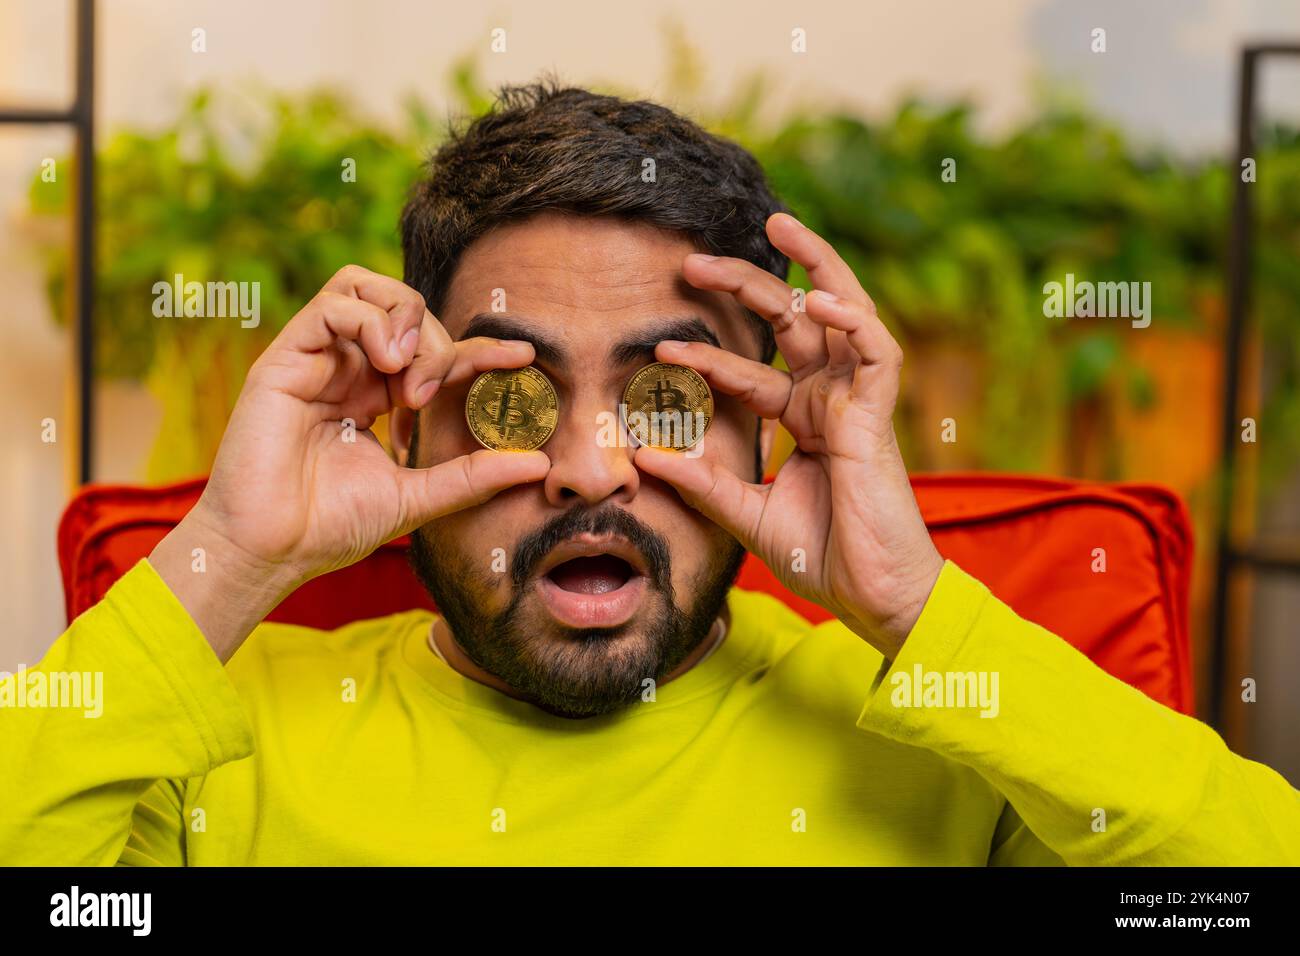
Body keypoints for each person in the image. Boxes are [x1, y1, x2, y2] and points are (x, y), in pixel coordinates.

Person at [2, 83, 1296, 866]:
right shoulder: (225, 739)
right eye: (512, 395)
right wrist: (228, 554)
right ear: (409, 430)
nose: (585, 469)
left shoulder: (948, 735)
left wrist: (916, 612)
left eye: (668, 398)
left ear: (767, 434)